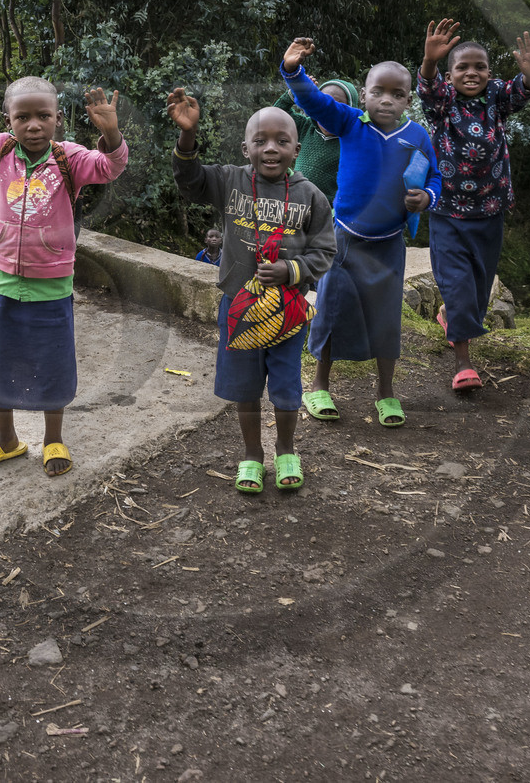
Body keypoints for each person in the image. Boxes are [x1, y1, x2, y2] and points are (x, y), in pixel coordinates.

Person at [0, 48, 129, 477]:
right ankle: (7, 440)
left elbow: (109, 167)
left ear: (58, 118)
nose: (34, 125)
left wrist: (111, 134)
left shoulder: (69, 158)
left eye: (44, 115)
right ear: (9, 121)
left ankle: (53, 439)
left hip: (52, 287)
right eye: (23, 117)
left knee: (51, 363)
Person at [169, 88, 336, 492]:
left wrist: (291, 270)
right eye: (260, 141)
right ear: (246, 148)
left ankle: (285, 449)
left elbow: (326, 250)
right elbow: (189, 182)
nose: (271, 148)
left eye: (281, 141)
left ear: (297, 148)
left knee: (285, 387)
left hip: (288, 311)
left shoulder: (310, 196)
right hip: (239, 309)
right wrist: (187, 136)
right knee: (245, 388)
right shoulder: (230, 181)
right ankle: (251, 455)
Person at [280, 37, 439, 427]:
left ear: (408, 100)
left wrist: (427, 198)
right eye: (378, 92)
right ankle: (319, 386)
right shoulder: (350, 123)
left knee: (386, 319)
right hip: (344, 239)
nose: (387, 100)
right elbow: (315, 102)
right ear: (364, 95)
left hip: (389, 243)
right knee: (332, 311)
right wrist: (293, 71)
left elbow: (434, 176)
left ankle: (386, 393)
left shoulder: (417, 136)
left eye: (397, 94)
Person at [416, 20, 530, 391]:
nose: (472, 73)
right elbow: (427, 86)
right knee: (456, 284)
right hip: (448, 211)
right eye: (462, 67)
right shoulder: (443, 102)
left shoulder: (496, 97)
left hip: (490, 209)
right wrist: (429, 61)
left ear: (489, 71)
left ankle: (448, 317)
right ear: (450, 73)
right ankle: (464, 364)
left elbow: (520, 92)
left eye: (480, 67)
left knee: (480, 286)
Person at [274, 77, 358, 201]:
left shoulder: (353, 141)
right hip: (294, 203)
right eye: (321, 104)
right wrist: (295, 91)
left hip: (326, 211)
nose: (327, 113)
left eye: (336, 107)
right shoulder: (305, 127)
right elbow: (277, 116)